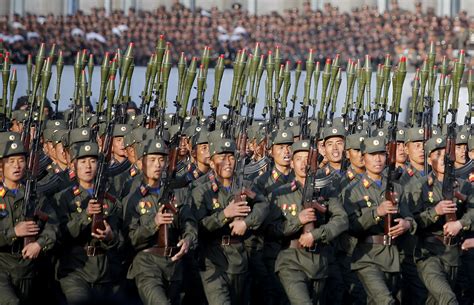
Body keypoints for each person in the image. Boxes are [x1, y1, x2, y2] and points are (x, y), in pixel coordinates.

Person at [191, 137, 269, 305]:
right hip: (212, 259)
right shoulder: (201, 191)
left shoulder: (245, 187)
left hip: (239, 258)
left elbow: (263, 205)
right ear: (211, 163)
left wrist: (246, 223)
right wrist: (225, 214)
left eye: (231, 157)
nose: (228, 162)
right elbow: (197, 226)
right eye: (221, 157)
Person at [270, 139, 348, 304]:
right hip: (290, 261)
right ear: (291, 163)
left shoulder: (327, 191)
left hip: (319, 261)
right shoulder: (280, 193)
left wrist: (316, 234)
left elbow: (341, 219)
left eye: (308, 158)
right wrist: (297, 221)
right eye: (298, 158)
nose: (304, 162)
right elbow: (271, 229)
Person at [125, 138, 198, 305]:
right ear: (142, 162)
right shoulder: (134, 198)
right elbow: (130, 240)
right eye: (152, 160)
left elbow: (190, 223)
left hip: (174, 266)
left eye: (161, 159)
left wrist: (188, 240)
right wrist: (154, 223)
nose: (157, 164)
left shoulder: (177, 194)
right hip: (146, 264)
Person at [343, 136, 415, 304]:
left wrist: (407, 224)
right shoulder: (353, 190)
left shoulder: (396, 188)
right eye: (372, 154)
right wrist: (376, 213)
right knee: (385, 301)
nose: (378, 159)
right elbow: (352, 226)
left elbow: (409, 216)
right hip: (367, 257)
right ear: (363, 158)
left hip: (392, 257)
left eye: (381, 154)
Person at [406, 136, 474, 305]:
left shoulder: (464, 186)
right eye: (437, 154)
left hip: (455, 254)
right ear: (429, 159)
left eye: (446, 153)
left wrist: (460, 223)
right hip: (429, 254)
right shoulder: (419, 186)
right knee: (448, 299)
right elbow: (412, 222)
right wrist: (435, 211)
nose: (443, 158)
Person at [54, 142, 123, 305]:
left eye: (92, 161)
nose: (88, 166)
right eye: (83, 161)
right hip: (75, 269)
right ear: (74, 165)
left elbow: (121, 239)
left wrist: (111, 237)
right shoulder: (64, 198)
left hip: (104, 271)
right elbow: (61, 235)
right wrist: (85, 216)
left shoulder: (110, 199)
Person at [0, 137, 57, 305]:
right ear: (1, 166)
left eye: (21, 161)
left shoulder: (34, 195)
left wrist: (39, 244)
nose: (17, 166)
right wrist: (14, 233)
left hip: (29, 268)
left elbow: (52, 225)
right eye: (11, 161)